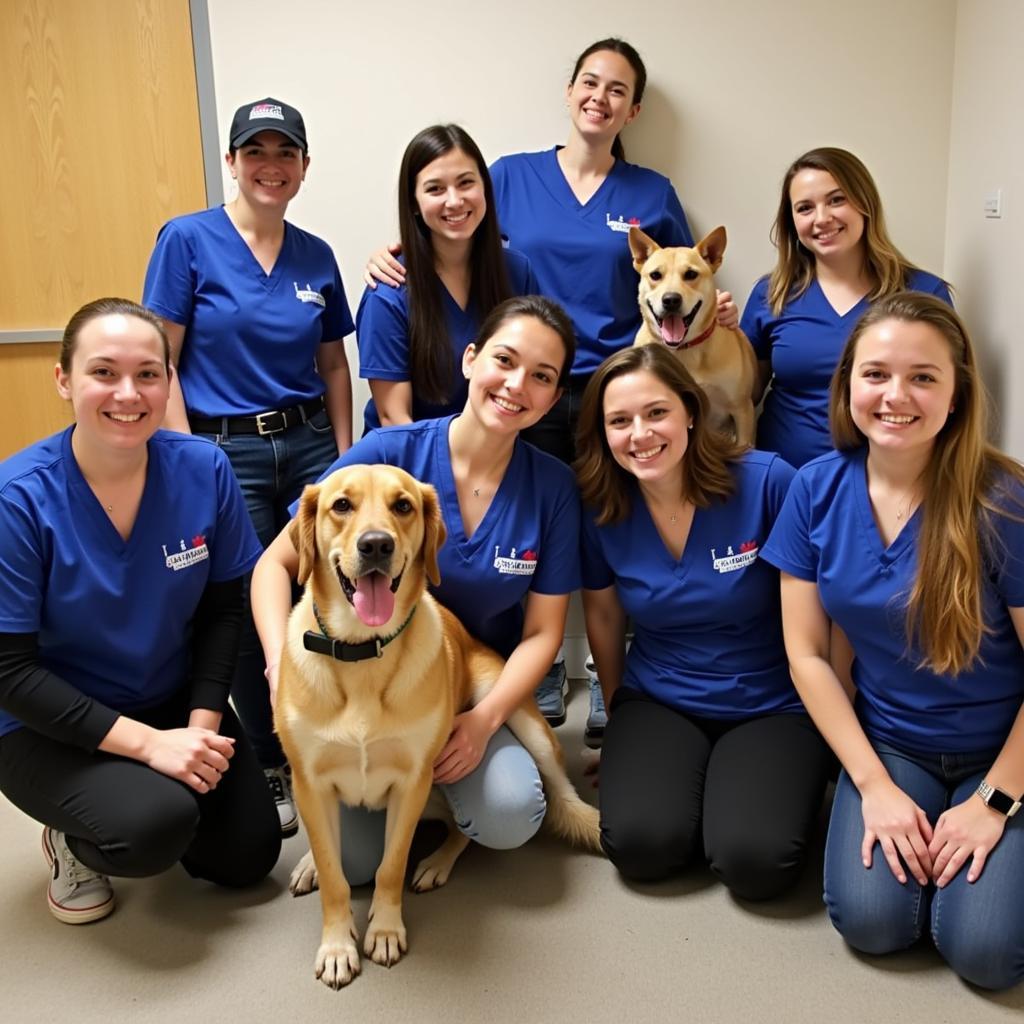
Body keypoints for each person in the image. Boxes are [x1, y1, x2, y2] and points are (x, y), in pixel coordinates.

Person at [366, 40, 736, 744]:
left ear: (635, 108)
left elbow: (683, 278)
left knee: (606, 527)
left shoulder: (651, 193)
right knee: (515, 526)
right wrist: (392, 251)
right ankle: (532, 672)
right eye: (589, 82)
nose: (600, 96)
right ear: (569, 93)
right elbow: (452, 230)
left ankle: (604, 671)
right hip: (521, 388)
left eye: (618, 88)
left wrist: (718, 311)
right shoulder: (508, 176)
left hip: (611, 388)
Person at [252, 296, 580, 883]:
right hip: (360, 680)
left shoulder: (552, 487)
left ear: (554, 398)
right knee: (351, 868)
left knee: (511, 814)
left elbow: (543, 633)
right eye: (503, 360)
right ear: (471, 360)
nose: (516, 385)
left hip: (469, 686)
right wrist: (281, 664)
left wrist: (483, 721)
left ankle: (459, 811)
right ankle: (421, 798)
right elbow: (273, 565)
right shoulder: (388, 457)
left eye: (541, 377)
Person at [762, 293, 1024, 989]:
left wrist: (995, 802)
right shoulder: (814, 489)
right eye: (875, 374)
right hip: (894, 745)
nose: (895, 396)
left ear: (958, 392)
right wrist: (873, 784)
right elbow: (807, 655)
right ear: (847, 382)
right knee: (875, 926)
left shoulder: (1002, 501)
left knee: (987, 956)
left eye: (923, 377)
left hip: (1003, 750)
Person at [0, 299, 280, 925]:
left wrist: (201, 732)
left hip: (168, 697)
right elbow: (9, 673)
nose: (128, 394)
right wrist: (152, 748)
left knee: (248, 858)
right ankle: (70, 840)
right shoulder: (17, 500)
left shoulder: (204, 468)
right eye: (103, 372)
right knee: (155, 826)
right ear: (64, 379)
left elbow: (222, 611)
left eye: (149, 374)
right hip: (45, 724)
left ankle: (143, 783)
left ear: (169, 382)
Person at [142, 97, 355, 835]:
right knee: (239, 602)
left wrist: (344, 457)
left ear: (302, 166)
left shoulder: (315, 255)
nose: (271, 166)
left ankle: (334, 739)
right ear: (231, 162)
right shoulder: (187, 241)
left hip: (308, 446)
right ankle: (270, 759)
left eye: (285, 153)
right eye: (255, 151)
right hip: (220, 447)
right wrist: (184, 455)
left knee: (327, 592)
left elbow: (333, 364)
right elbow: (160, 358)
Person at [576, 344, 830, 896]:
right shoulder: (601, 504)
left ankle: (741, 790)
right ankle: (695, 785)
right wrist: (621, 722)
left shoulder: (768, 483)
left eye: (656, 412)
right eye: (619, 421)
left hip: (770, 701)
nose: (640, 434)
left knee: (755, 863)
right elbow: (602, 610)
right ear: (603, 432)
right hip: (661, 696)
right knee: (642, 846)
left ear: (690, 410)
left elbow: (823, 616)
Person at [741, 147, 952, 469]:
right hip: (785, 481)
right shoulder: (771, 294)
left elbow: (947, 397)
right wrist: (712, 336)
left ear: (865, 203)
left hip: (888, 484)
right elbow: (740, 396)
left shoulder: (923, 294)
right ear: (792, 221)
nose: (822, 218)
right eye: (805, 208)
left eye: (837, 200)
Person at [356, 124, 537, 433]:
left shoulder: (517, 273)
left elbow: (528, 378)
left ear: (485, 188)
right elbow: (394, 420)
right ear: (413, 202)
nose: (454, 201)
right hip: (411, 464)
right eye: (435, 189)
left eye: (466, 183)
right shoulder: (388, 292)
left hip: (495, 451)